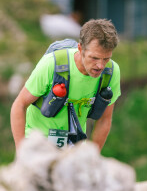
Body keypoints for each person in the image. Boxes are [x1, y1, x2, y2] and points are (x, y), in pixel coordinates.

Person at [10, 19, 121, 152]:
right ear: (80, 49)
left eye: (106, 58)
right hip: (38, 144)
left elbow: (104, 119)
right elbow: (19, 105)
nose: (100, 66)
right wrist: (21, 152)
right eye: (95, 58)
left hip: (73, 147)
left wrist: (92, 157)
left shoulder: (110, 73)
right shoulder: (52, 64)